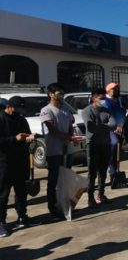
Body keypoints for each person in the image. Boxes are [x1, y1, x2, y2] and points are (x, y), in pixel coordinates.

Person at [0, 97, 39, 237]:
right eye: (17, 109)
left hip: (21, 160)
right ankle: (1, 222)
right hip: (4, 162)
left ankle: (22, 217)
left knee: (21, 191)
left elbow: (26, 134)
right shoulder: (1, 119)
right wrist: (14, 138)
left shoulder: (21, 120)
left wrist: (30, 137)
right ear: (8, 106)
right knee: (3, 194)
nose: (19, 112)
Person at [39, 83, 74, 220]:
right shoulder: (46, 110)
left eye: (62, 93)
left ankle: (65, 205)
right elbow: (52, 130)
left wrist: (69, 137)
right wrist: (65, 138)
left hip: (67, 150)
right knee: (53, 180)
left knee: (66, 179)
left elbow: (70, 125)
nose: (61, 96)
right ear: (51, 94)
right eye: (59, 93)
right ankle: (53, 208)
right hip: (54, 151)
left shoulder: (65, 109)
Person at [82, 89, 117, 208]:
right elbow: (90, 127)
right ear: (94, 98)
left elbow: (113, 125)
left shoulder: (107, 111)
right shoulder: (87, 111)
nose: (103, 101)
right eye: (101, 99)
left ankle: (101, 194)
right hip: (93, 145)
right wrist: (105, 127)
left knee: (103, 171)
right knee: (92, 173)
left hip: (106, 144)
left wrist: (100, 127)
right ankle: (90, 198)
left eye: (104, 99)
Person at [105, 83, 126, 188]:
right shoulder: (106, 101)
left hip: (121, 129)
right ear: (108, 90)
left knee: (117, 152)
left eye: (117, 88)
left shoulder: (119, 100)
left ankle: (115, 173)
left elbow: (123, 112)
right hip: (111, 129)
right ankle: (112, 172)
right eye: (114, 89)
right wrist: (115, 126)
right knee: (113, 146)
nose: (117, 90)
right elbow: (107, 116)